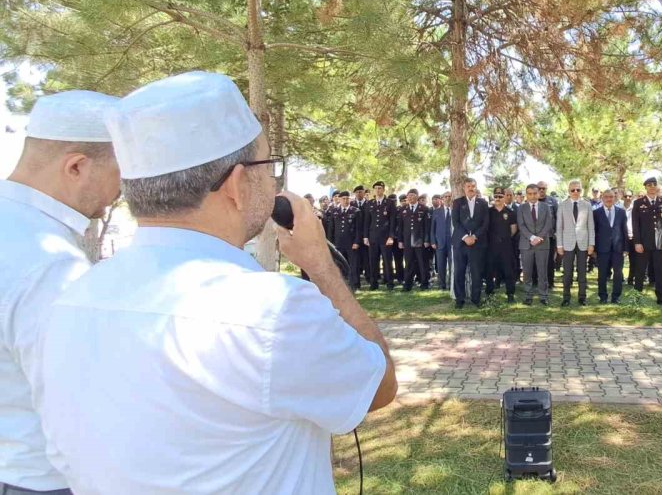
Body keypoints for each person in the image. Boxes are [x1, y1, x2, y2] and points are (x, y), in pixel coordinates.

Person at [39, 71, 396, 494]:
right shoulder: (273, 310)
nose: (274, 183)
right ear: (238, 184)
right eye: (268, 167)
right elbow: (379, 385)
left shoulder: (72, 298)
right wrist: (321, 268)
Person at [0, 91, 122, 495]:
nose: (121, 189)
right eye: (121, 171)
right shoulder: (49, 265)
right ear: (76, 167)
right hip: (43, 480)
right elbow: (75, 408)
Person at [632, 177, 662, 305]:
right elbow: (635, 224)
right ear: (646, 187)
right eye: (649, 185)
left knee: (660, 271)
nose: (652, 187)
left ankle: (661, 298)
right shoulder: (638, 203)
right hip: (643, 243)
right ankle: (636, 298)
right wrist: (637, 242)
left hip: (659, 243)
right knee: (640, 271)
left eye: (654, 184)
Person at [555, 180, 595, 306]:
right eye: (573, 190)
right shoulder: (562, 205)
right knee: (567, 272)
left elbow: (591, 226)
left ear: (581, 190)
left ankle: (582, 297)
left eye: (578, 189)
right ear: (569, 191)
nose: (575, 192)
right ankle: (566, 298)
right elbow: (559, 227)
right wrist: (559, 245)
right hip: (567, 243)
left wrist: (591, 244)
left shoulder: (587, 205)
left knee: (582, 272)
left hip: (583, 243)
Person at [451, 178, 489, 308]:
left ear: (476, 187)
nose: (471, 188)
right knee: (459, 272)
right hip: (460, 243)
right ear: (464, 188)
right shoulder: (457, 202)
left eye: (473, 185)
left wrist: (475, 237)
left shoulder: (483, 203)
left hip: (477, 244)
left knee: (476, 272)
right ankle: (459, 300)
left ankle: (476, 299)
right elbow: (455, 222)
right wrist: (466, 236)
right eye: (468, 186)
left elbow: (485, 223)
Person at [517, 184, 554, 305]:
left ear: (538, 193)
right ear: (526, 195)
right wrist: (532, 237)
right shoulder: (521, 208)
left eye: (534, 193)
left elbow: (549, 223)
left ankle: (543, 296)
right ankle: (528, 296)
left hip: (542, 244)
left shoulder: (546, 207)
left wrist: (539, 237)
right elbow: (521, 225)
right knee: (527, 271)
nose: (532, 196)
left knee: (542, 271)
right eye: (530, 194)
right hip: (526, 244)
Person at [593, 189, 628, 304]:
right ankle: (603, 297)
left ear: (614, 198)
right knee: (602, 273)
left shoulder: (621, 212)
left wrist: (626, 248)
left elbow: (624, 231)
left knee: (618, 273)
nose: (609, 199)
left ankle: (616, 297)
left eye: (611, 197)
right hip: (602, 248)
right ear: (602, 198)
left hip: (618, 248)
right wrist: (593, 248)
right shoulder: (596, 213)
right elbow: (594, 231)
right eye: (606, 197)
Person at [396, 188, 431, 291]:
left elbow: (427, 226)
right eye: (409, 196)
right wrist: (400, 241)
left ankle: (424, 283)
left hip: (420, 240)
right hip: (407, 241)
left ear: (417, 196)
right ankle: (408, 284)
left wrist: (426, 240)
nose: (411, 197)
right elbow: (400, 227)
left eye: (413, 195)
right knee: (408, 263)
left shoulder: (424, 209)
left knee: (422, 263)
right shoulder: (403, 209)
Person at [363, 181, 396, 290]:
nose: (378, 190)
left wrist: (391, 236)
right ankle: (374, 283)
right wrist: (365, 237)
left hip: (385, 237)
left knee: (387, 261)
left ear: (383, 190)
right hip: (373, 237)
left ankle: (390, 283)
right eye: (376, 188)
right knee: (373, 261)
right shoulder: (370, 203)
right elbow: (367, 221)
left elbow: (392, 221)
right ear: (374, 190)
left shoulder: (390, 203)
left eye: (380, 188)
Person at [486, 190, 518, 302]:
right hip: (491, 246)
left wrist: (504, 238)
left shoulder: (510, 212)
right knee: (489, 270)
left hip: (506, 246)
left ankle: (510, 294)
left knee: (508, 270)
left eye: (500, 196)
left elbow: (513, 229)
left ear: (504, 198)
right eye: (496, 196)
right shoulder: (488, 212)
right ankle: (489, 293)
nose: (498, 198)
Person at [328, 191, 363, 290]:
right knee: (339, 264)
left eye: (347, 198)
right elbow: (331, 229)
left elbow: (358, 229)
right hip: (338, 243)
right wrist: (330, 243)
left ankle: (355, 284)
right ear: (339, 199)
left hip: (351, 243)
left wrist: (356, 242)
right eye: (343, 198)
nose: (346, 200)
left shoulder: (355, 211)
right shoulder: (334, 211)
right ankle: (341, 284)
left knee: (353, 264)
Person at [536, 181, 558, 288]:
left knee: (549, 261)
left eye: (543, 188)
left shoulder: (552, 201)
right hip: (535, 237)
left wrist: (556, 233)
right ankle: (535, 282)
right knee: (535, 260)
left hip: (549, 236)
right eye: (539, 188)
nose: (541, 190)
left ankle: (550, 282)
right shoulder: (531, 200)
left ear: (546, 189)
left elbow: (558, 218)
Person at [430, 191, 453, 290]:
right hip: (440, 243)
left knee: (453, 265)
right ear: (442, 199)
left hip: (452, 243)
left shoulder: (456, 210)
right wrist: (433, 241)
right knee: (440, 265)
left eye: (449, 196)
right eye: (445, 197)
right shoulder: (436, 212)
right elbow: (432, 228)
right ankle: (442, 285)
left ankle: (452, 284)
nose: (447, 198)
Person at [350, 185, 371, 285]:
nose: (359, 193)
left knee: (367, 257)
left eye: (361, 192)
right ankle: (356, 278)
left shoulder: (369, 204)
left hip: (367, 235)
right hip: (355, 237)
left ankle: (368, 276)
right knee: (356, 258)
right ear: (355, 193)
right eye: (357, 192)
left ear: (364, 193)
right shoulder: (351, 204)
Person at [622, 190, 637, 286]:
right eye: (626, 196)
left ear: (632, 197)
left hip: (634, 237)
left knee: (634, 261)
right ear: (622, 197)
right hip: (622, 238)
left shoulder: (636, 209)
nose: (628, 198)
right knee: (619, 260)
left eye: (630, 196)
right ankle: (620, 278)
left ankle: (631, 279)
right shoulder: (618, 208)